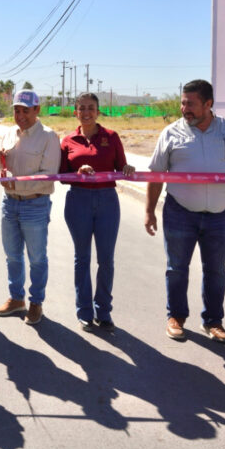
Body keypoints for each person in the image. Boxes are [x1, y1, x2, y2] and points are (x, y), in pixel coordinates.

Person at [145, 79, 225, 343]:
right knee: (177, 269)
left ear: (208, 104)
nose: (184, 109)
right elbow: (156, 174)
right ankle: (176, 317)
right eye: (182, 103)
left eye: (190, 104)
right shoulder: (171, 133)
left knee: (217, 271)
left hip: (220, 215)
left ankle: (213, 321)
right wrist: (149, 211)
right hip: (180, 212)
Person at [60, 93, 135, 332]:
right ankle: (84, 311)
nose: (86, 112)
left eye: (91, 108)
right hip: (78, 201)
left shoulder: (111, 137)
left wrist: (127, 168)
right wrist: (77, 172)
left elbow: (121, 167)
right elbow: (61, 176)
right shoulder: (68, 140)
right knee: (82, 258)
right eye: (81, 108)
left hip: (107, 201)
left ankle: (103, 311)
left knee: (106, 260)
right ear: (75, 112)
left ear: (98, 110)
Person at [0, 90, 61, 325]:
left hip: (35, 204)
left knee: (37, 258)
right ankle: (16, 299)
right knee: (12, 256)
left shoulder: (49, 137)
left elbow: (48, 174)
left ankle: (36, 302)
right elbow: (0, 167)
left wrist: (18, 182)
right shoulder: (9, 133)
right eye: (16, 110)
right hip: (9, 203)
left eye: (25, 110)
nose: (20, 115)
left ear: (37, 110)